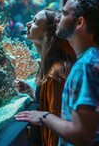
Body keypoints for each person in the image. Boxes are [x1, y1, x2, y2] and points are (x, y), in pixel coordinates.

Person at [15, 0, 99, 146]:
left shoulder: (87, 66)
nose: (58, 17)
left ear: (80, 22)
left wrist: (44, 116)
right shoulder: (92, 58)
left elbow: (81, 135)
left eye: (64, 13)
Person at [16, 8, 76, 146]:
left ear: (49, 33)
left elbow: (56, 120)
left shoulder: (56, 73)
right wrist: (31, 91)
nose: (28, 24)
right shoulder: (48, 65)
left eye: (35, 22)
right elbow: (49, 104)